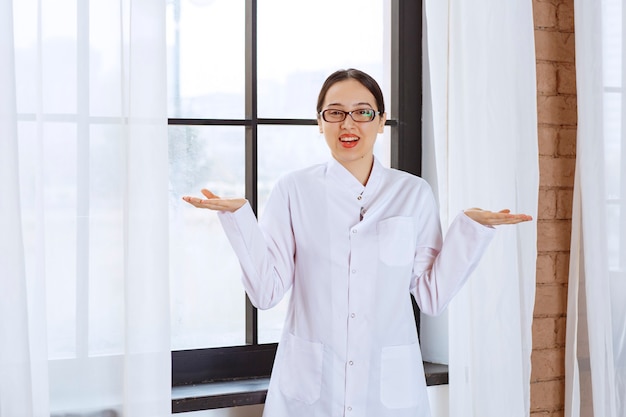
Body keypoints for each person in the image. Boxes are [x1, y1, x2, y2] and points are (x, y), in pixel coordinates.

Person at [183, 68, 532, 417]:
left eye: (363, 112)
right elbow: (266, 293)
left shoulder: (412, 194)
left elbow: (431, 296)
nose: (348, 124)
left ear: (381, 121)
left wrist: (470, 231)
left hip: (388, 392)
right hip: (310, 391)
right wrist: (239, 219)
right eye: (335, 112)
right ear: (320, 123)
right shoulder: (293, 191)